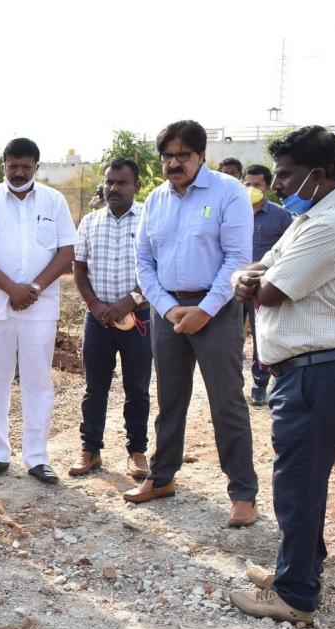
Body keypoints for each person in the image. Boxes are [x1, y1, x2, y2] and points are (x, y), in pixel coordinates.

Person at [228, 126, 335, 624]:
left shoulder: (332, 224)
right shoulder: (310, 217)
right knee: (305, 479)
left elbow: (269, 290)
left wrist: (250, 281)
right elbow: (258, 267)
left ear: (320, 174)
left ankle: (295, 596)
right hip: (311, 370)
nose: (279, 185)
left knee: (297, 484)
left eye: (286, 175)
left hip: (319, 371)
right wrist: (244, 277)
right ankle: (302, 567)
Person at [128, 120, 258, 528]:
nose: (174, 163)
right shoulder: (155, 200)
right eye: (167, 156)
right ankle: (161, 476)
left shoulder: (228, 192)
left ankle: (243, 493)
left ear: (202, 155)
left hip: (216, 309)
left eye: (183, 155)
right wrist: (168, 308)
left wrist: (205, 309)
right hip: (167, 310)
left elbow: (238, 257)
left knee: (227, 401)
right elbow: (143, 261)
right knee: (170, 398)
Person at [0, 137, 76, 485]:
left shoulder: (54, 201)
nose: (19, 172)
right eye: (13, 165)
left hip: (39, 308)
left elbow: (66, 252)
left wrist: (35, 288)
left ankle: (37, 457)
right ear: (4, 166)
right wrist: (11, 289)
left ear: (36, 167)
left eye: (26, 166)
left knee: (37, 381)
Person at [69, 158, 151, 480]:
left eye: (122, 182)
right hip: (98, 320)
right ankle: (90, 450)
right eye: (109, 182)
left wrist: (130, 300)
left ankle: (137, 452)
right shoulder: (90, 222)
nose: (114, 188)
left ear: (136, 186)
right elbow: (79, 269)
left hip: (139, 319)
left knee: (137, 389)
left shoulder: (149, 219)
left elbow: (159, 269)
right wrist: (94, 304)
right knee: (95, 388)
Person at [241, 164, 294, 406]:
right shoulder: (233, 212)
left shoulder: (281, 216)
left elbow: (288, 252)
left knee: (261, 334)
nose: (252, 189)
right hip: (233, 286)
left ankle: (260, 383)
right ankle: (232, 383)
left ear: (267, 187)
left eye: (257, 185)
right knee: (230, 337)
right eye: (247, 184)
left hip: (263, 288)